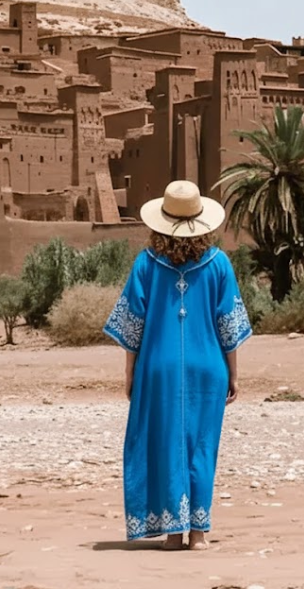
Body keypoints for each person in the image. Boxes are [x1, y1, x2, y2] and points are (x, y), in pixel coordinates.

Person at [103, 180, 253, 551]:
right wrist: (233, 374)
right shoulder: (219, 264)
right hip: (209, 368)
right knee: (202, 446)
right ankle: (198, 533)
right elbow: (228, 326)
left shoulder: (146, 263)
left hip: (158, 368)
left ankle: (173, 533)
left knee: (166, 442)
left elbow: (132, 325)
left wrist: (129, 373)